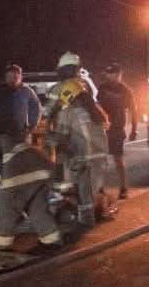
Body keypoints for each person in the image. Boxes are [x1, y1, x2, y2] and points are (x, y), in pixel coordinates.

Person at [0, 131, 62, 254]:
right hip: (44, 169)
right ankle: (51, 241)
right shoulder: (4, 140)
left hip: (20, 171)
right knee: (36, 208)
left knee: (2, 207)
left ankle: (0, 245)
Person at [49, 78, 111, 226]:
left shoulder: (68, 113)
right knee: (93, 189)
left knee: (82, 194)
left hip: (84, 160)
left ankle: (86, 222)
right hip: (100, 159)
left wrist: (52, 142)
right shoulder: (96, 110)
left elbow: (61, 140)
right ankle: (100, 210)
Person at [97, 64, 139, 198]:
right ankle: (99, 188)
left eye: (113, 74)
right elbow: (96, 106)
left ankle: (123, 188)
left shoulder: (125, 90)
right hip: (102, 129)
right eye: (108, 74)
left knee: (118, 160)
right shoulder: (102, 88)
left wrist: (134, 129)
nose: (110, 76)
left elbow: (133, 110)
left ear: (119, 75)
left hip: (116, 130)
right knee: (100, 160)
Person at [0, 64, 42, 143]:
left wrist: (30, 128)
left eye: (15, 77)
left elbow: (36, 109)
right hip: (0, 132)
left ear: (20, 77)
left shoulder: (27, 91)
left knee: (21, 153)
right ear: (5, 78)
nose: (12, 80)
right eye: (9, 77)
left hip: (20, 133)